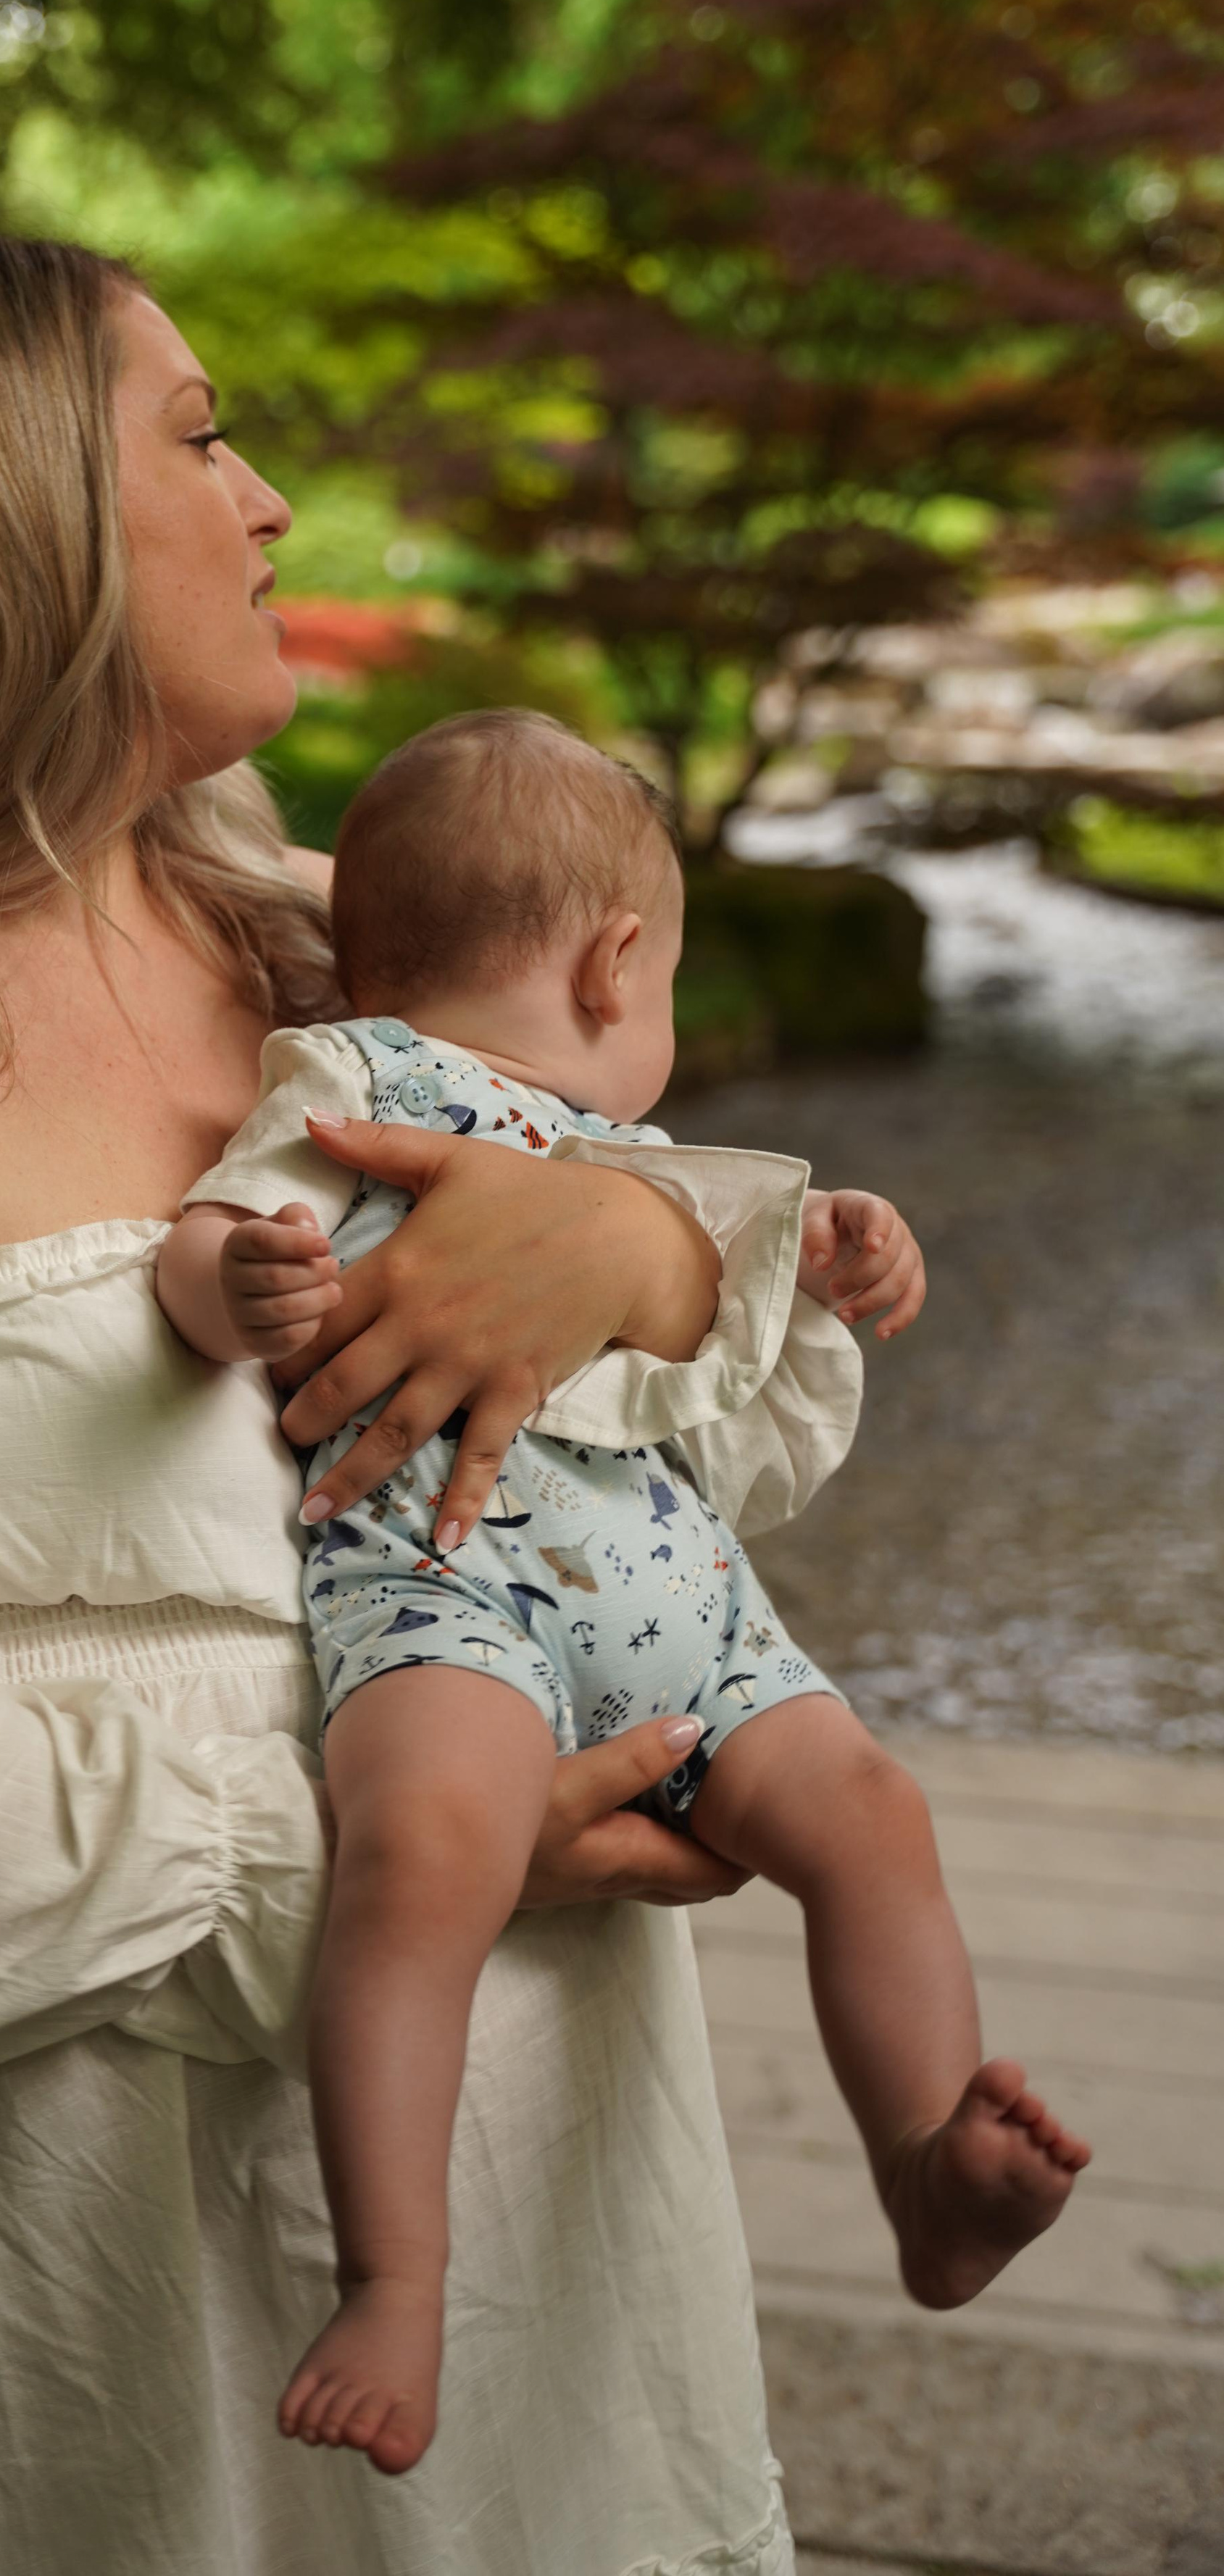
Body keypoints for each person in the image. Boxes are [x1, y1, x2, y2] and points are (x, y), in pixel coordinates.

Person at [0, 235, 823, 2574]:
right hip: (25, 2235)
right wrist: (407, 1859)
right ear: (4, 514)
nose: (273, 497)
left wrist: (645, 1248)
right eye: (203, 433)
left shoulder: (318, 939)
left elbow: (700, 1441)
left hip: (532, 2193)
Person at [157, 709, 1091, 2477]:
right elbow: (214, 1227)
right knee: (426, 1843)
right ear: (617, 960)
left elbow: (727, 1357)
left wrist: (823, 1256)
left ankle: (921, 2155)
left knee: (867, 1810)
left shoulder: (642, 1154)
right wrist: (246, 1281)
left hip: (696, 1606)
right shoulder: (351, 1078)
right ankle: (393, 2272)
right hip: (446, 1589)